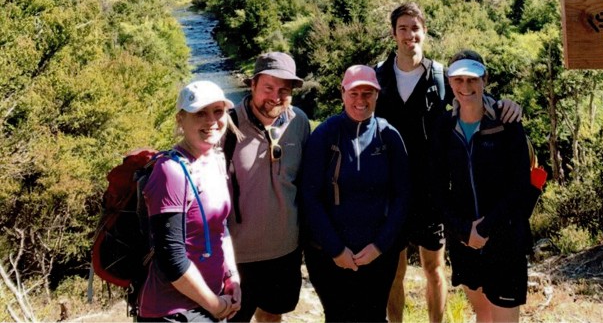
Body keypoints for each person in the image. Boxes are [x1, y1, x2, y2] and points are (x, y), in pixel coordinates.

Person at [375, 2, 522, 323]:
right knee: (394, 271)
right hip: (391, 189)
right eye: (402, 28)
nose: (409, 35)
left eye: (415, 28)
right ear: (393, 33)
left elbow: (470, 98)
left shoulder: (441, 76)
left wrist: (505, 103)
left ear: (424, 32)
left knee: (434, 268)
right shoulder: (378, 77)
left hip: (432, 192)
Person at [301, 65, 411, 323]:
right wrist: (336, 249)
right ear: (342, 93)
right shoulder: (325, 135)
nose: (360, 100)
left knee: (373, 316)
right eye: (354, 93)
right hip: (328, 256)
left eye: (367, 93)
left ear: (377, 95)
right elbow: (310, 197)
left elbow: (402, 196)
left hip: (377, 256)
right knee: (338, 317)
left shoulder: (389, 137)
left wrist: (380, 246)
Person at [435, 51, 532, 323]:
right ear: (450, 82)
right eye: (458, 80)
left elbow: (520, 186)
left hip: (505, 239)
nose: (465, 88)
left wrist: (485, 228)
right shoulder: (444, 126)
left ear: (484, 79)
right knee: (483, 313)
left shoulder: (506, 121)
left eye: (472, 79)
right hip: (464, 240)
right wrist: (464, 231)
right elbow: (439, 187)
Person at [137, 80, 242, 322]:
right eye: (200, 113)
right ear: (180, 120)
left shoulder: (215, 159)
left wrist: (232, 278)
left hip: (211, 300)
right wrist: (214, 305)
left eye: (218, 111)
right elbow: (171, 256)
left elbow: (220, 228)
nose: (211, 121)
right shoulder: (170, 171)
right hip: (172, 310)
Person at [223, 52, 311, 323]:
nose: (275, 97)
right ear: (252, 86)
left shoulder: (299, 122)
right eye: (268, 88)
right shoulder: (227, 126)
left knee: (273, 314)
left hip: (285, 249)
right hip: (238, 255)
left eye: (284, 90)